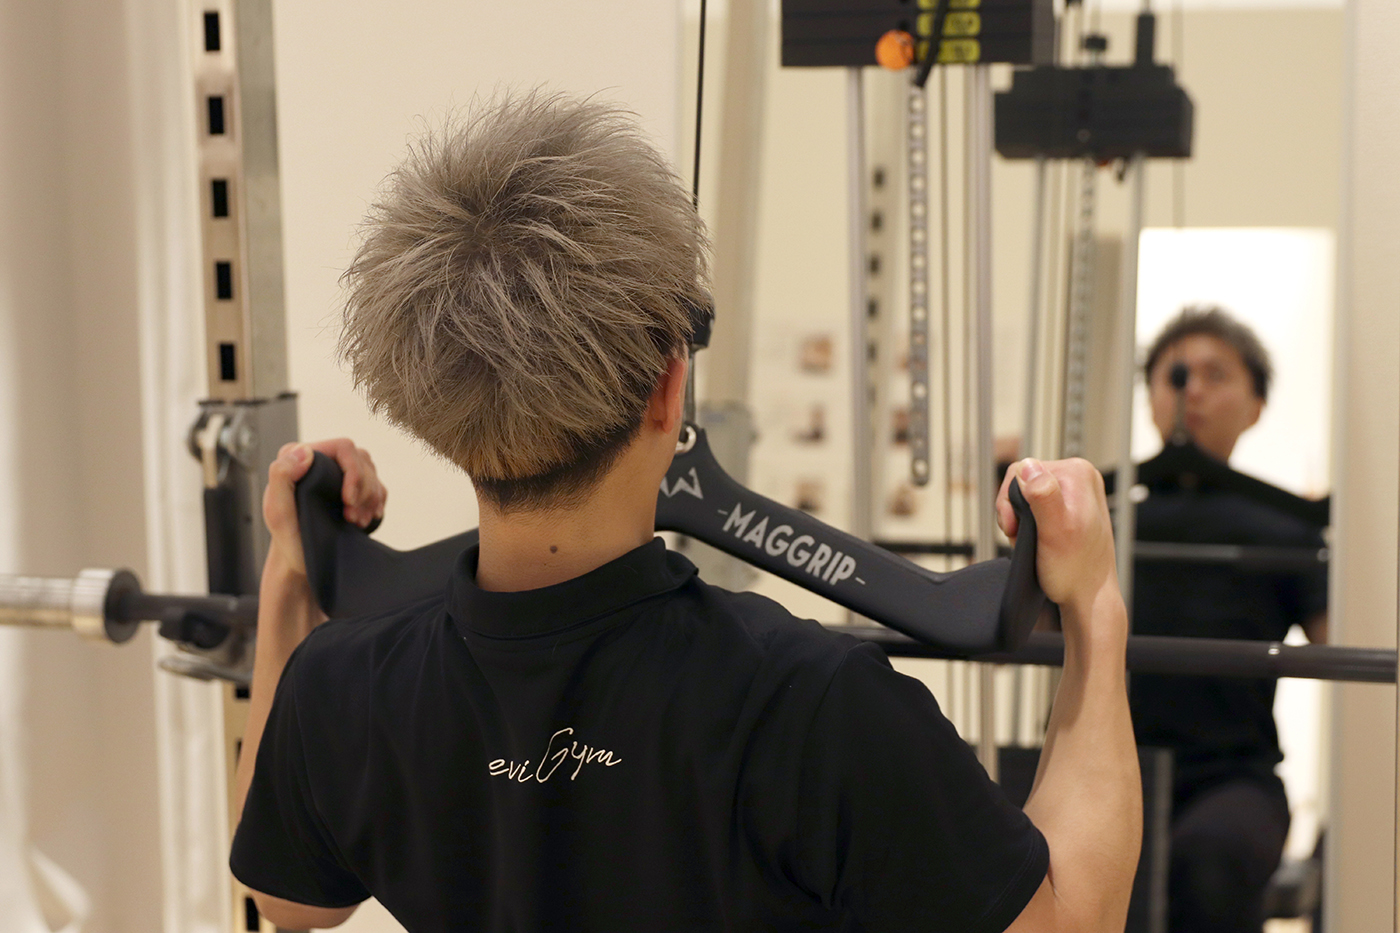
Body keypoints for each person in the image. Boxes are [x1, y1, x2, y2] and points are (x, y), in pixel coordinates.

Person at [229, 91, 1141, 932]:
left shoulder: (340, 685)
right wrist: (1095, 606)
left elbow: (288, 896)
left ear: (431, 399)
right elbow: (1068, 922)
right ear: (670, 388)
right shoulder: (815, 708)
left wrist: (290, 576)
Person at [1132, 307, 1329, 933]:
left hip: (1233, 779)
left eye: (1216, 375)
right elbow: (1030, 635)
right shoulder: (1105, 526)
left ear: (1255, 406)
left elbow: (1341, 644)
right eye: (1175, 374)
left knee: (1210, 866)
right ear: (1152, 397)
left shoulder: (1287, 530)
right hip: (1112, 769)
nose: (1190, 389)